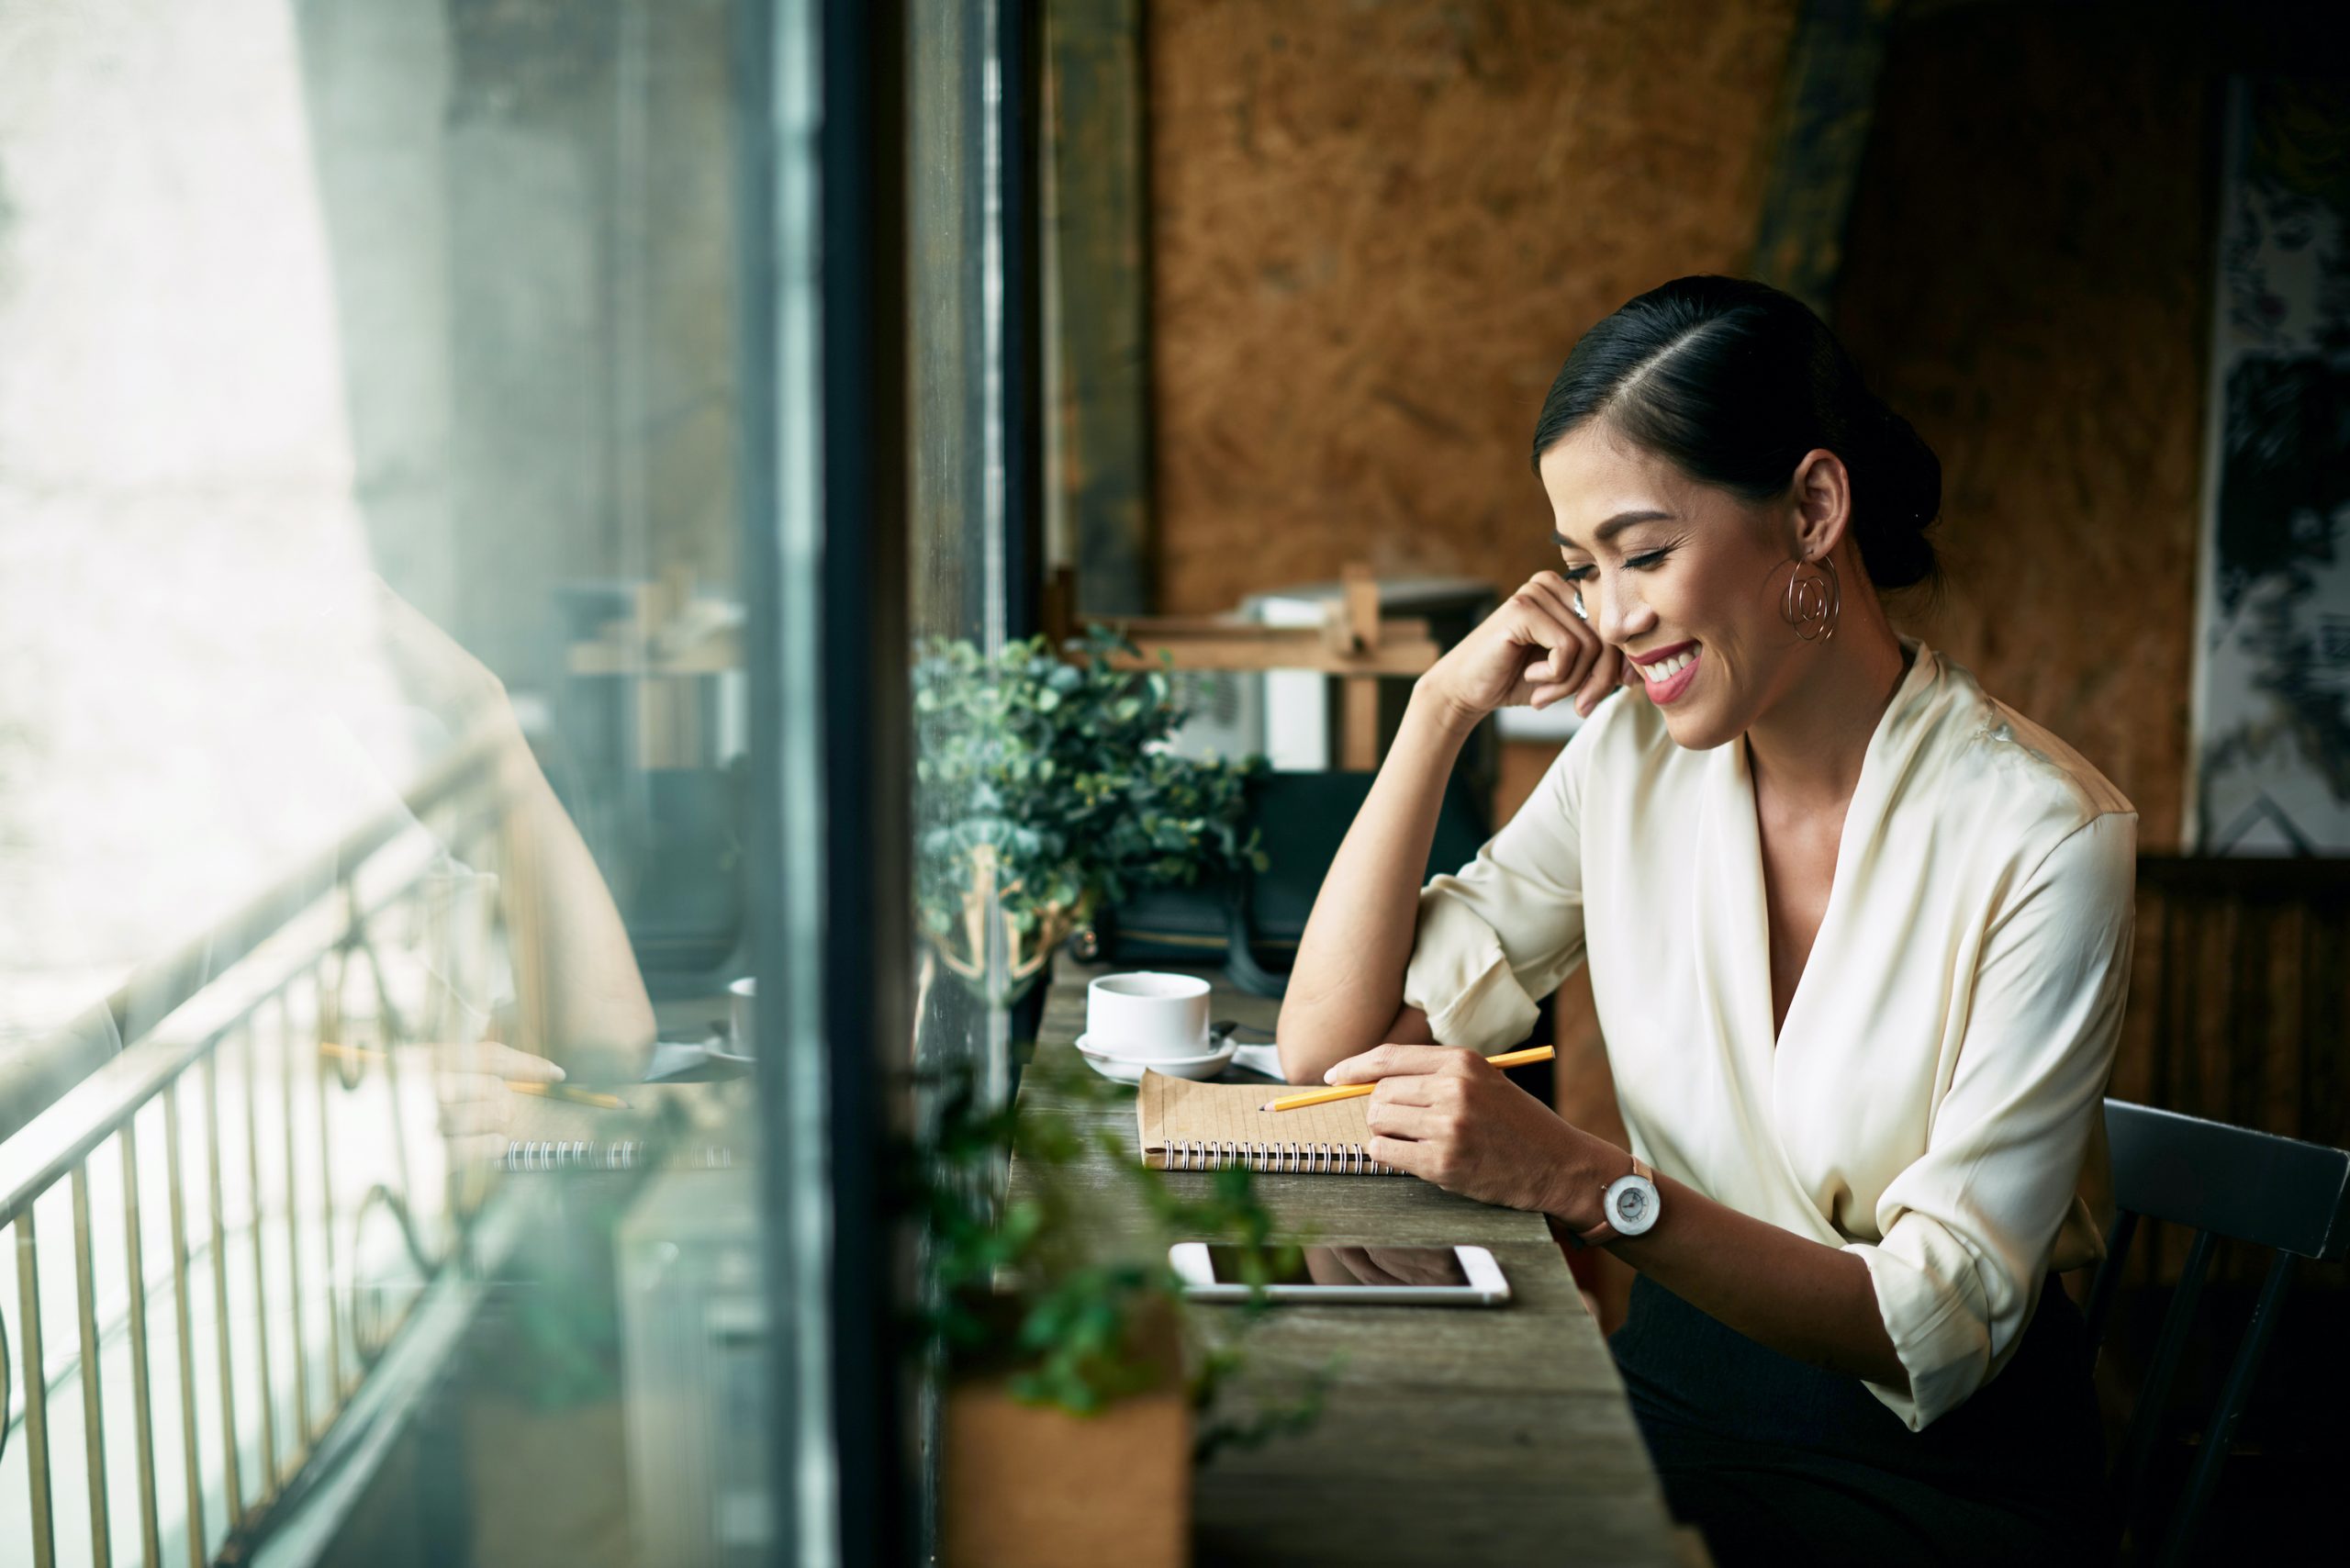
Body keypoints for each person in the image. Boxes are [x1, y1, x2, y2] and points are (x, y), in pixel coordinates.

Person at [1276, 276, 2132, 1566]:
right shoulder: (1627, 759)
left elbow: (1938, 1331)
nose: (1611, 617)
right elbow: (1328, 1051)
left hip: (1938, 1482)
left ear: (1812, 509)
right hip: (1671, 1403)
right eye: (1582, 568)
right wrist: (1437, 711)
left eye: (1644, 553)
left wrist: (1577, 1180)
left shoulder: (2047, 836)